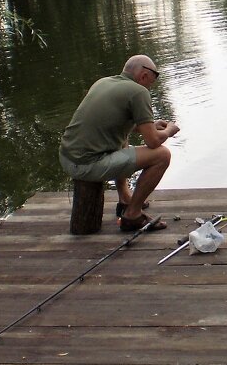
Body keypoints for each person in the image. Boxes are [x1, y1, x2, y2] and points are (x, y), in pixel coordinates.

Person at [59, 55, 180, 232]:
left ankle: (125, 199)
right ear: (144, 76)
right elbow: (153, 142)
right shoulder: (139, 92)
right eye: (150, 83)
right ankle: (132, 215)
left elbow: (114, 122)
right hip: (86, 165)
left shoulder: (104, 82)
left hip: (67, 157)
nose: (149, 88)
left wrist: (150, 126)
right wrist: (169, 130)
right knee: (162, 155)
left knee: (123, 136)